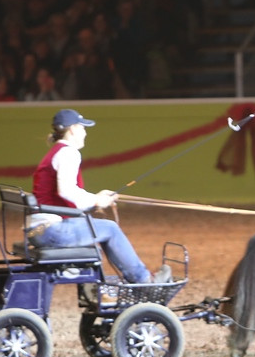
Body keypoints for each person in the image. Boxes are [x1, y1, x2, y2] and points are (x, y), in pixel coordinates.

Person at [28, 109, 170, 285]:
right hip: (52, 230)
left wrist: (95, 199)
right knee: (110, 229)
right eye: (83, 128)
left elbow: (63, 195)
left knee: (99, 227)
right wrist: (96, 200)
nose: (85, 133)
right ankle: (144, 281)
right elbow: (66, 191)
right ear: (73, 129)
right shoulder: (68, 153)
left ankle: (101, 286)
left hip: (40, 229)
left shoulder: (57, 152)